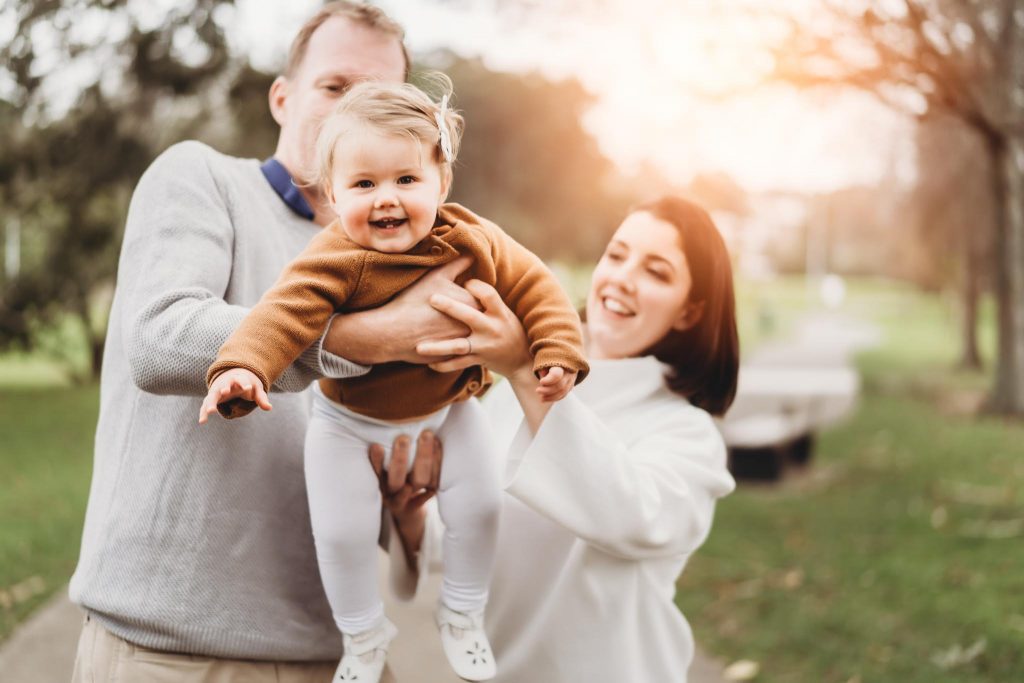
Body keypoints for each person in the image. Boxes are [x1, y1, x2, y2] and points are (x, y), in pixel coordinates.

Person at [69, 4, 469, 682]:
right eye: (335, 87)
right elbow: (157, 335)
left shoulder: (407, 263)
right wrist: (359, 337)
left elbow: (403, 552)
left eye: (380, 97)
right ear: (283, 99)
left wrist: (403, 516)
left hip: (336, 657)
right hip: (175, 654)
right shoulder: (200, 178)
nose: (355, 111)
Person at [198, 76, 588, 683]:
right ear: (332, 193)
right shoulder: (336, 258)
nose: (387, 198)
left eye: (406, 180)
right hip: (345, 426)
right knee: (341, 530)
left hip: (450, 412)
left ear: (442, 183)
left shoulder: (472, 238)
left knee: (482, 505)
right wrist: (244, 367)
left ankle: (462, 612)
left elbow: (537, 287)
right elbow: (282, 312)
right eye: (364, 183)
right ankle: (362, 634)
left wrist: (555, 350)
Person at [382, 196, 740, 682]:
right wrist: (411, 519)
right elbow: (470, 535)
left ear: (688, 312)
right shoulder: (512, 393)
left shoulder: (686, 433)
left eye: (656, 272)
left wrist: (525, 371)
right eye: (617, 255)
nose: (622, 278)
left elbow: (631, 515)